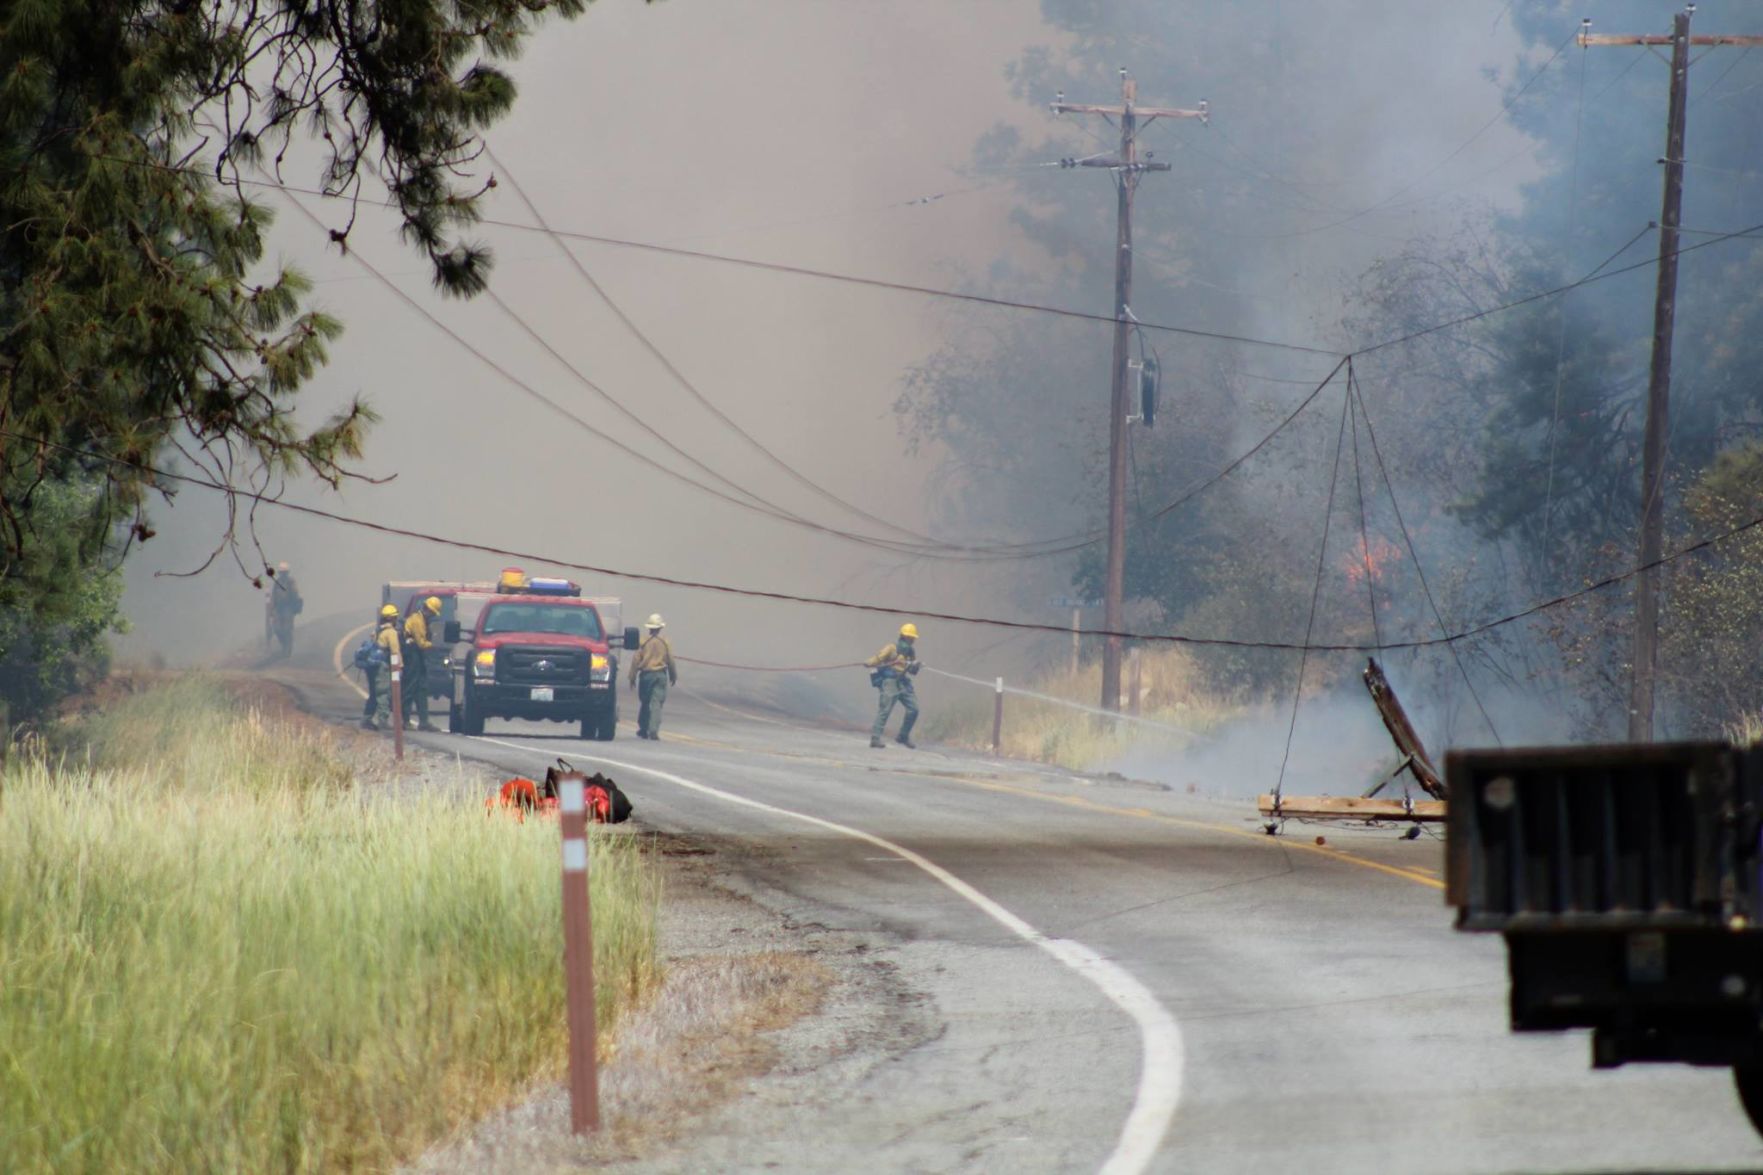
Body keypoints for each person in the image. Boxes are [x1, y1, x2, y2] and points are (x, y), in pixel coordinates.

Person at [865, 623, 921, 749]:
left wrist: (915, 666)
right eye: (910, 637)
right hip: (890, 681)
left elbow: (912, 671)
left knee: (914, 709)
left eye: (913, 638)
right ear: (903, 636)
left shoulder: (911, 652)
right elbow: (878, 658)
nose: (912, 640)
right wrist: (868, 663)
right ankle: (875, 738)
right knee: (885, 709)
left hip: (903, 682)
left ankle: (903, 736)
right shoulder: (891, 648)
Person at [628, 613, 677, 740]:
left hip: (646, 676)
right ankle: (653, 730)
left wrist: (632, 677)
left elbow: (635, 660)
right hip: (660, 675)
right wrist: (673, 675)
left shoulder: (643, 642)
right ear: (660, 628)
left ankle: (643, 729)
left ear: (649, 628)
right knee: (656, 703)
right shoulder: (665, 642)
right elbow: (670, 660)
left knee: (645, 702)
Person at [401, 596, 442, 732]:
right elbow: (421, 643)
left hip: (418, 657)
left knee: (421, 689)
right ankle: (404, 720)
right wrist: (434, 645)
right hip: (412, 657)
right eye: (432, 613)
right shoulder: (417, 622)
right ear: (429, 610)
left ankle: (424, 721)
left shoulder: (421, 620)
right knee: (410, 688)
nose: (432, 616)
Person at [364, 604, 403, 730]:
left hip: (372, 667)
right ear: (391, 619)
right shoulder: (391, 633)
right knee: (383, 693)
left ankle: (367, 719)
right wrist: (399, 667)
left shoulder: (377, 631)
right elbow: (395, 651)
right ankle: (382, 720)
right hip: (382, 667)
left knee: (374, 693)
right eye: (395, 618)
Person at [267, 561, 302, 658]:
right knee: (277, 629)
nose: (283, 574)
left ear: (287, 573)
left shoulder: (291, 582)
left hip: (288, 608)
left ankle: (288, 650)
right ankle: (284, 645)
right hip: (279, 608)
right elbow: (273, 596)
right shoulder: (277, 582)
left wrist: (295, 606)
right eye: (281, 572)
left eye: (284, 572)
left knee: (287, 629)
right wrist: (271, 610)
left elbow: (295, 594)